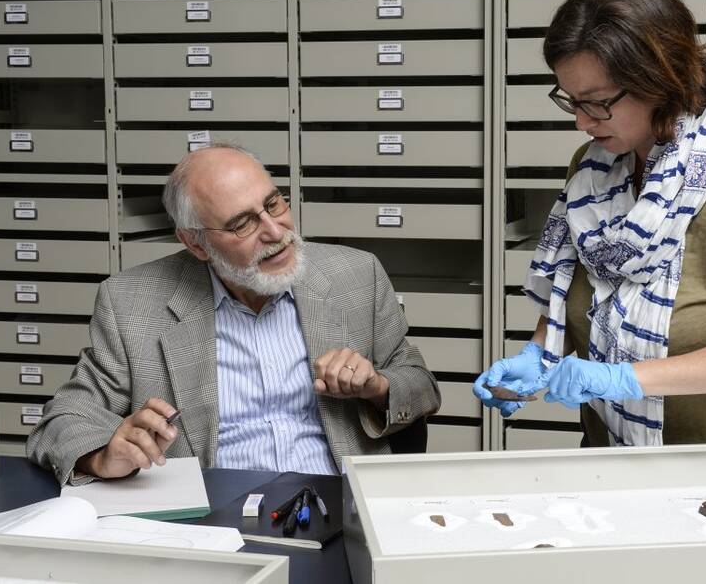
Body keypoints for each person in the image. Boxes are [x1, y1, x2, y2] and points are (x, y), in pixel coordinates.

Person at [474, 0, 706, 446]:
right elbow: (586, 291)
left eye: (595, 103)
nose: (580, 122)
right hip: (611, 453)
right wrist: (541, 352)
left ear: (658, 80)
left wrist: (627, 378)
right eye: (571, 101)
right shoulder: (593, 167)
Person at [28, 143, 440, 485]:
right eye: (243, 223)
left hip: (340, 494)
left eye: (273, 204)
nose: (275, 232)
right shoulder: (131, 303)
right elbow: (63, 420)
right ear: (197, 244)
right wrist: (104, 455)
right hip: (215, 512)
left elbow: (420, 386)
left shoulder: (355, 275)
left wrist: (376, 386)